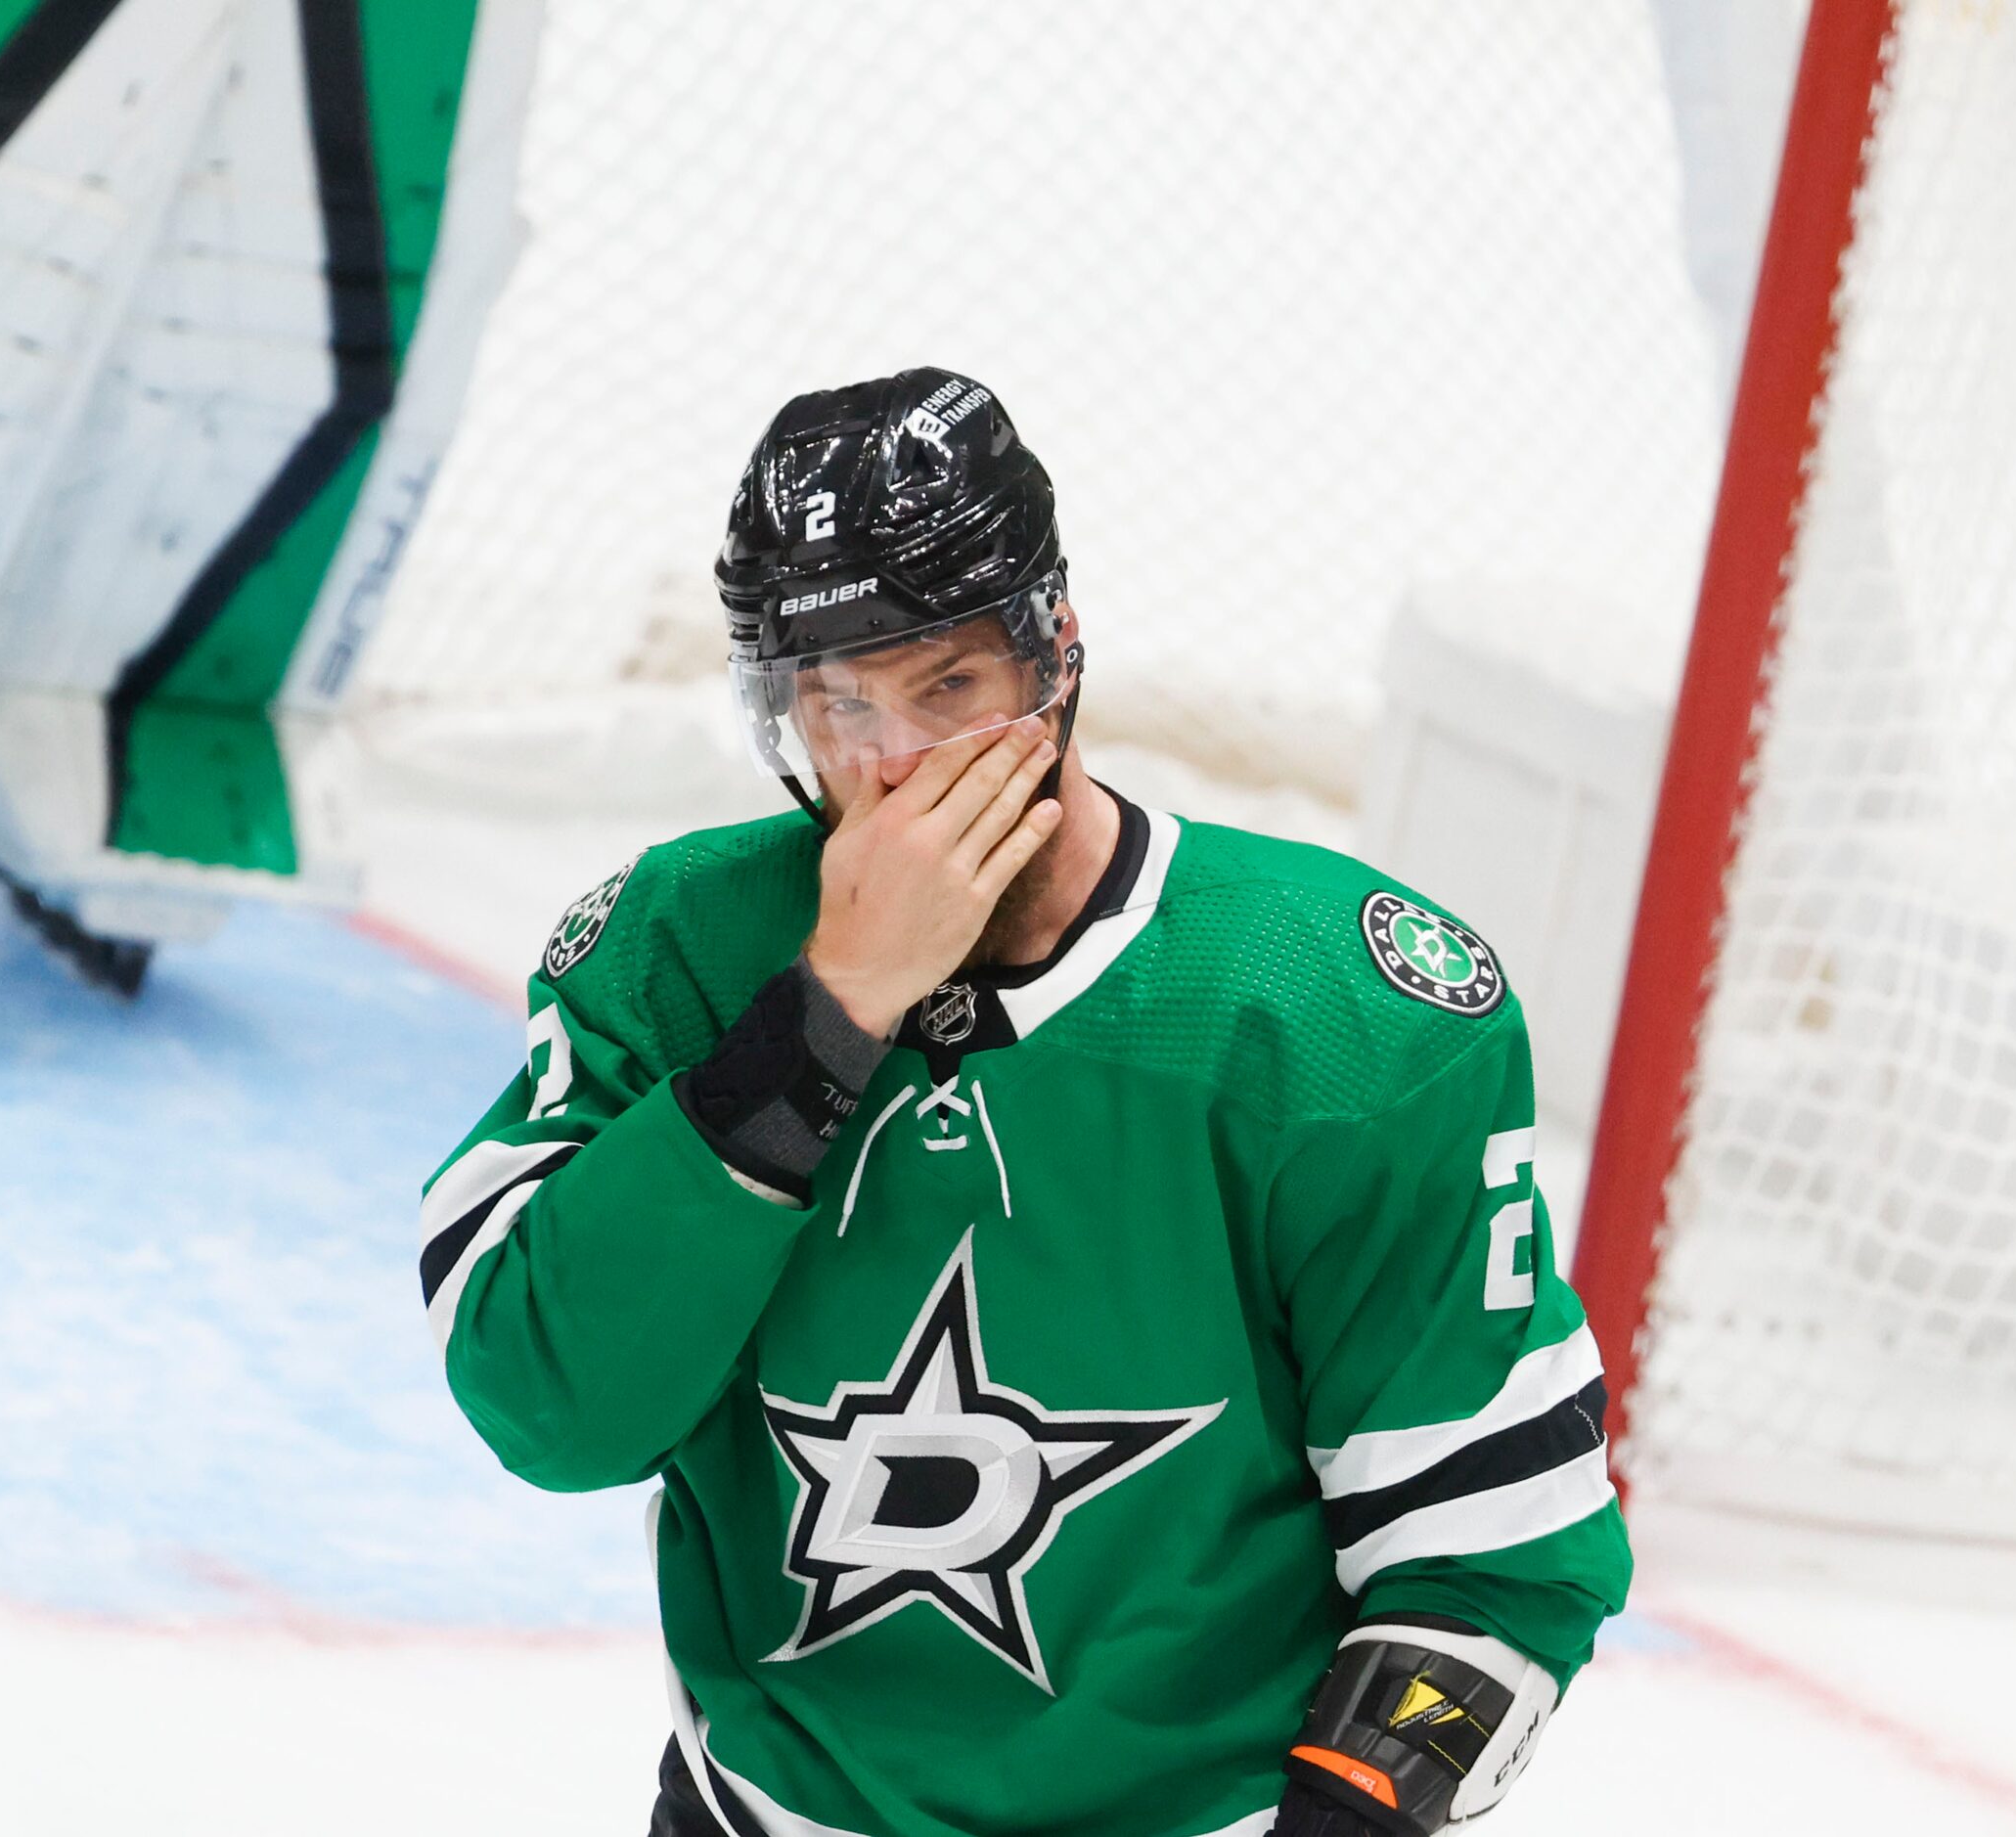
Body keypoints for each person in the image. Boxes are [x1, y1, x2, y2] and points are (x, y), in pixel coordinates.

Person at [419, 368, 1630, 1837]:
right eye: (838, 701)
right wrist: (820, 1020)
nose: (893, 766)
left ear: (1056, 654)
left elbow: (1492, 1553)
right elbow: (549, 1405)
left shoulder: (1339, 1018)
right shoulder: (675, 949)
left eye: (946, 688)